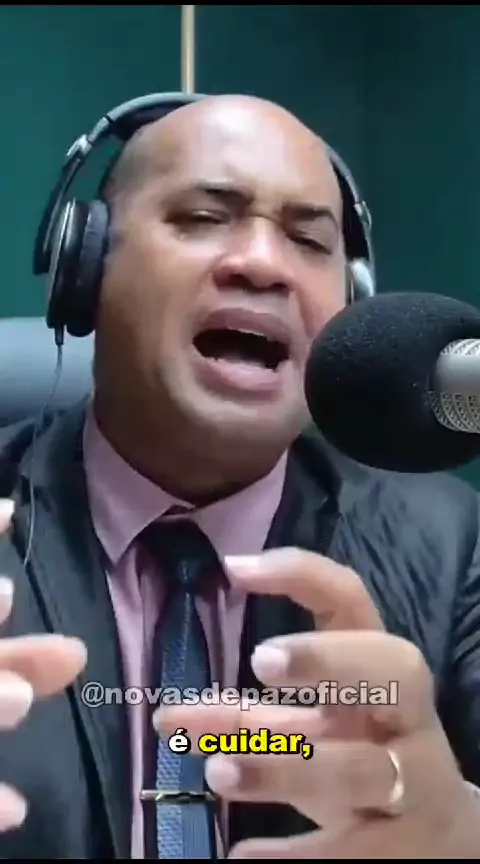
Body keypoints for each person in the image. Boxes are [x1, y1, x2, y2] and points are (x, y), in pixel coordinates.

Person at [0, 92, 478, 859]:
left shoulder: (453, 548)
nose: (261, 263)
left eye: (308, 240)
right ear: (84, 265)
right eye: (202, 218)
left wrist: (462, 830)